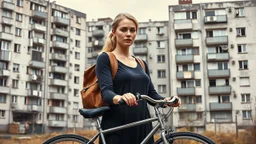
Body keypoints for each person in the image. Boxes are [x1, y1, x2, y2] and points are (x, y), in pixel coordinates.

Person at [95, 13, 181, 144]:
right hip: (117, 126)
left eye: (132, 30)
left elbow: (151, 94)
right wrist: (121, 97)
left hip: (143, 125)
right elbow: (106, 92)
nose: (128, 34)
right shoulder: (106, 58)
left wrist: (166, 101)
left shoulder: (141, 63)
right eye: (123, 29)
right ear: (114, 32)